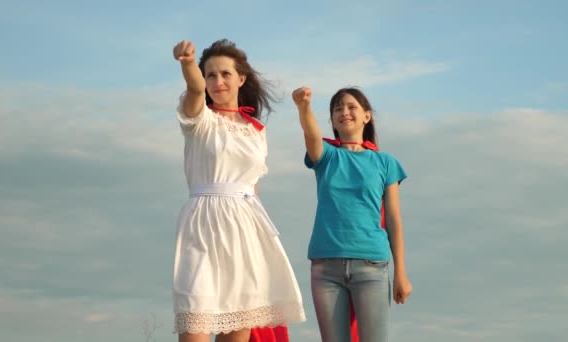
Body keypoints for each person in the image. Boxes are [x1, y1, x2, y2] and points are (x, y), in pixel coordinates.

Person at [171, 38, 305, 342]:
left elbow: (252, 186)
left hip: (245, 226)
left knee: (238, 328)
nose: (217, 81)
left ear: (241, 78)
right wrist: (188, 63)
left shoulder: (256, 130)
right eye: (211, 75)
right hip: (202, 223)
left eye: (225, 74)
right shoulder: (199, 119)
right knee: (194, 321)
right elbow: (193, 90)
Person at [292, 86, 412, 342]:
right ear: (332, 120)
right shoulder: (326, 155)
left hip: (371, 266)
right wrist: (304, 109)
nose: (344, 112)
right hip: (326, 267)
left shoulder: (386, 163)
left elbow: (393, 219)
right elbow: (311, 135)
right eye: (337, 109)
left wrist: (401, 272)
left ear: (367, 116)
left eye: (351, 107)